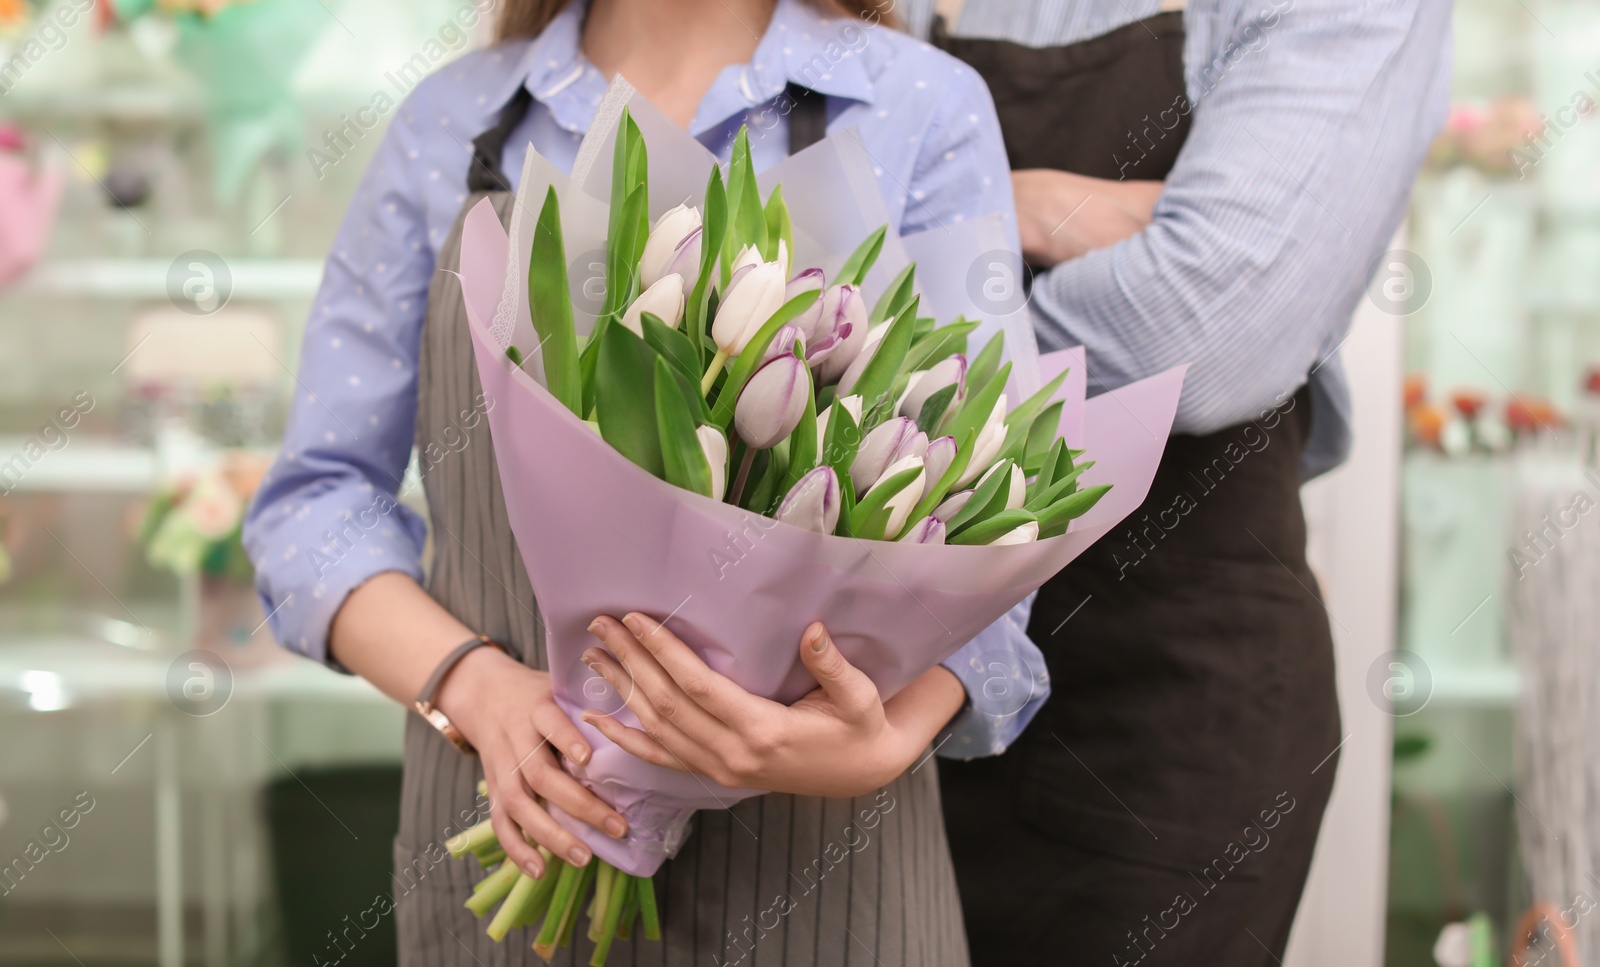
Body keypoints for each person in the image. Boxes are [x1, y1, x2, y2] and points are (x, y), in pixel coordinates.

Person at [243, 1, 1045, 963]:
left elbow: (991, 514)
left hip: (829, 865)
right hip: (523, 823)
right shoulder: (448, 123)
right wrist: (474, 687)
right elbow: (316, 505)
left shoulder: (918, 103)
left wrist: (881, 742)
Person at [899, 0, 1452, 962]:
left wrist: (956, 231)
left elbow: (1207, 331)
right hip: (877, 686)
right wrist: (1073, 222)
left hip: (1156, 724)